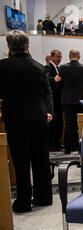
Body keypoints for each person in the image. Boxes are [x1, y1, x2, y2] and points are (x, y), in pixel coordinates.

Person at [0, 30, 53, 213]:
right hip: (38, 118)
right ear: (27, 46)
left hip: (16, 120)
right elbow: (47, 92)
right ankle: (44, 197)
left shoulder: (3, 67)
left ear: (9, 46)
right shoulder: (38, 67)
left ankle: (23, 201)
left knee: (21, 162)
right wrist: (48, 112)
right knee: (41, 159)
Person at [58, 48, 83, 154]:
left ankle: (68, 147)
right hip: (81, 100)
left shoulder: (63, 68)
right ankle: (79, 147)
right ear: (79, 57)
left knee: (68, 124)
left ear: (69, 56)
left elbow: (59, 83)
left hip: (67, 100)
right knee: (80, 123)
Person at [44, 50, 63, 151]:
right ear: (51, 57)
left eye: (60, 57)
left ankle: (56, 142)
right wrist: (54, 79)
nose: (59, 59)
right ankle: (53, 144)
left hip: (58, 100)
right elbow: (46, 80)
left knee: (58, 123)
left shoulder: (58, 68)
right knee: (54, 123)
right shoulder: (48, 67)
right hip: (52, 100)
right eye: (57, 57)